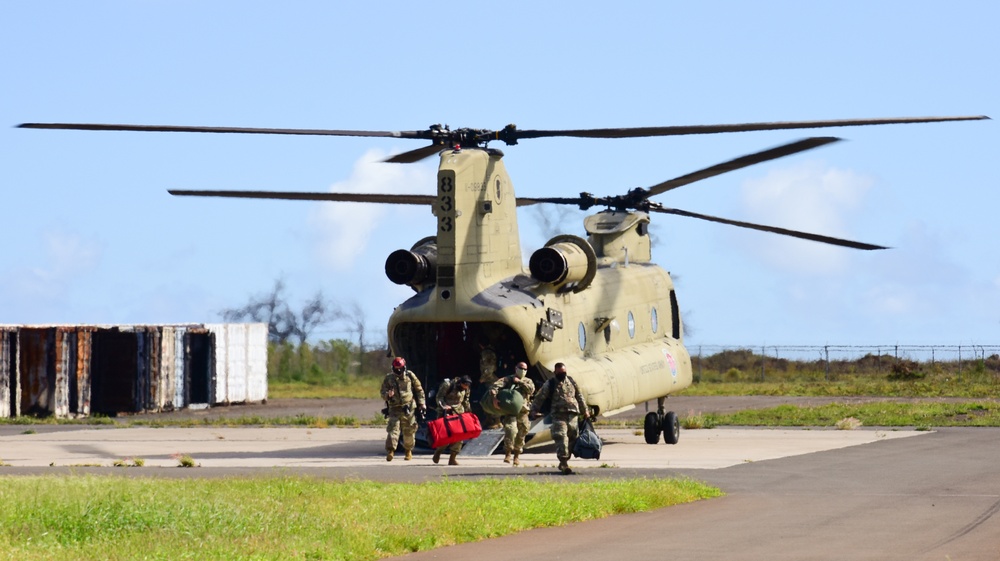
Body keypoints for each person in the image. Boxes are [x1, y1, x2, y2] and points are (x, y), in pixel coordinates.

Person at [529, 362, 589, 474]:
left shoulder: (571, 381)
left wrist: (585, 410)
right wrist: (534, 410)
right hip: (558, 415)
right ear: (555, 372)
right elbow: (540, 397)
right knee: (561, 437)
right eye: (560, 372)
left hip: (572, 415)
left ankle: (565, 458)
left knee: (573, 438)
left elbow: (579, 396)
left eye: (564, 372)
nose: (563, 374)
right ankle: (563, 463)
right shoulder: (550, 383)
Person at [380, 356, 426, 462]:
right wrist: (388, 395)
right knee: (393, 430)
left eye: (400, 369)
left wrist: (422, 403)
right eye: (396, 369)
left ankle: (408, 451)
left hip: (408, 408)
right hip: (394, 408)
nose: (398, 371)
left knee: (409, 431)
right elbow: (382, 392)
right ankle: (391, 451)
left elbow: (419, 390)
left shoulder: (410, 376)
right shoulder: (389, 378)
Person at [490, 361, 535, 466]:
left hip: (523, 411)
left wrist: (519, 382)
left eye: (525, 369)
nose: (523, 371)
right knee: (511, 430)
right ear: (516, 368)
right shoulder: (508, 379)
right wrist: (494, 398)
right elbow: (494, 387)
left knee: (522, 433)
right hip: (511, 411)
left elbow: (531, 390)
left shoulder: (528, 381)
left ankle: (517, 456)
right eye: (521, 368)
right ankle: (508, 453)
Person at [432, 375, 473, 465]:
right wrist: (444, 406)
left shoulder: (466, 389)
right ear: (460, 383)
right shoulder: (448, 385)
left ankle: (452, 458)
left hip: (458, 413)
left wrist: (469, 413)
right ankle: (438, 451)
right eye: (464, 385)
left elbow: (466, 401)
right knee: (445, 436)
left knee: (459, 436)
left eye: (467, 386)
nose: (465, 387)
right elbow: (439, 397)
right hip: (446, 412)